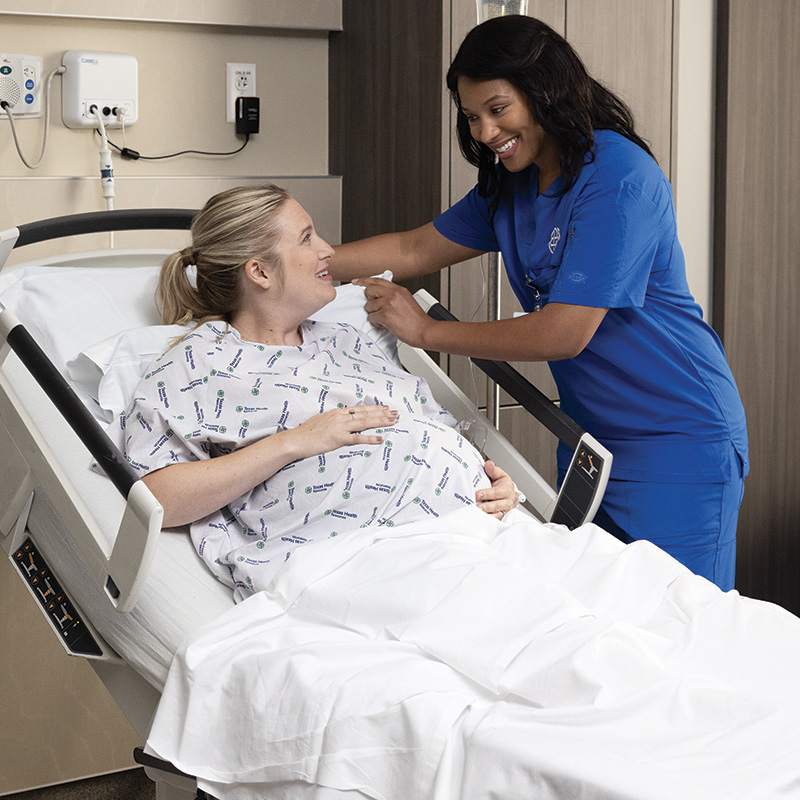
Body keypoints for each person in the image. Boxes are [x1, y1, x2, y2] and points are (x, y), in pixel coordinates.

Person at [329, 15, 748, 591]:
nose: (484, 132)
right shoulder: (511, 183)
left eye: (498, 109)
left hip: (676, 441)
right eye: (472, 116)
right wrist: (297, 264)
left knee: (677, 628)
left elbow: (563, 332)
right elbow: (413, 247)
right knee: (595, 627)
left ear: (544, 90)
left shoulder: (619, 177)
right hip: (589, 444)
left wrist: (426, 332)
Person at [110, 184, 519, 601]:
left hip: (474, 539)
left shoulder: (348, 339)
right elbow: (155, 496)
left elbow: (434, 429)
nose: (327, 250)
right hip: (365, 569)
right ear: (260, 272)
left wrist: (492, 482)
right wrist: (294, 442)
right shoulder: (197, 363)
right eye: (307, 238)